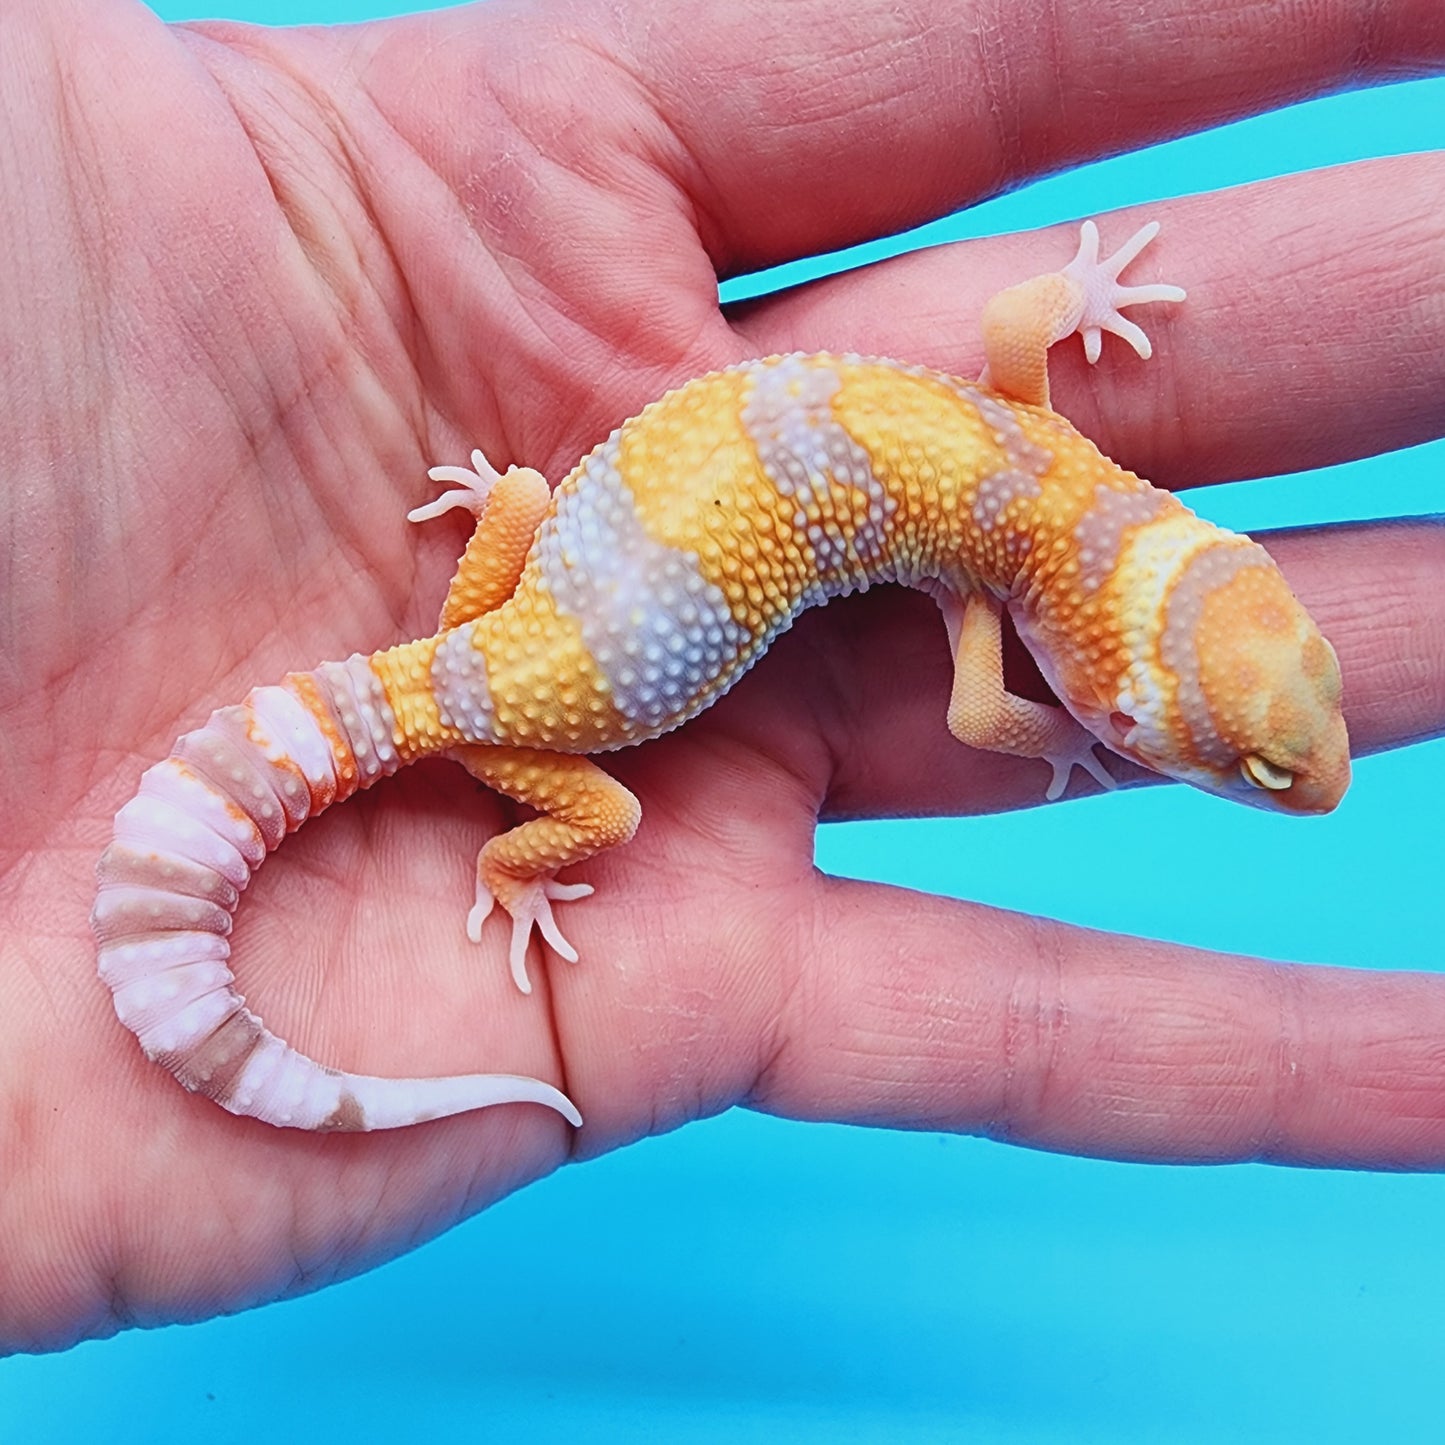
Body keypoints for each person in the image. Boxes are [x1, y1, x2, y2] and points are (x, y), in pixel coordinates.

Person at [1, 0, 1441, 1354]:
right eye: (1249, 765)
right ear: (1121, 699)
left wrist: (1074, 287)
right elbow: (979, 717)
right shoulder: (1015, 587)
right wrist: (1062, 750)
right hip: (513, 706)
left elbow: (1018, 327)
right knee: (608, 823)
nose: (1295, 775)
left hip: (497, 609)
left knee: (520, 530)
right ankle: (512, 870)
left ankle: (489, 620)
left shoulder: (1039, 449)